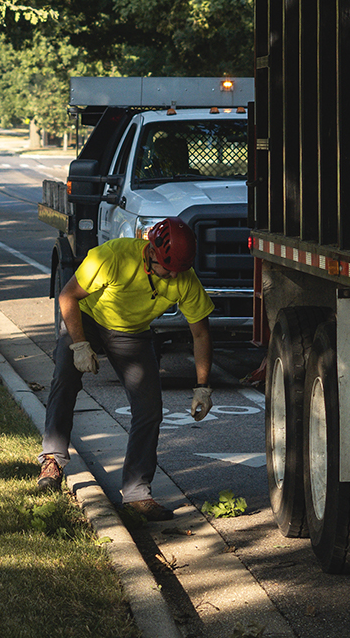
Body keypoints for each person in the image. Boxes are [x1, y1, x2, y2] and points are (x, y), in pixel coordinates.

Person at [37, 217, 216, 521]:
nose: (173, 277)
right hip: (88, 318)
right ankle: (52, 459)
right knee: (65, 376)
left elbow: (200, 333)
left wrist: (202, 386)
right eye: (167, 269)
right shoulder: (113, 257)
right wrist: (79, 345)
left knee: (149, 407)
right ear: (151, 254)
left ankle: (136, 492)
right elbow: (68, 296)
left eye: (178, 271)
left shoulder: (183, 278)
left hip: (132, 333)